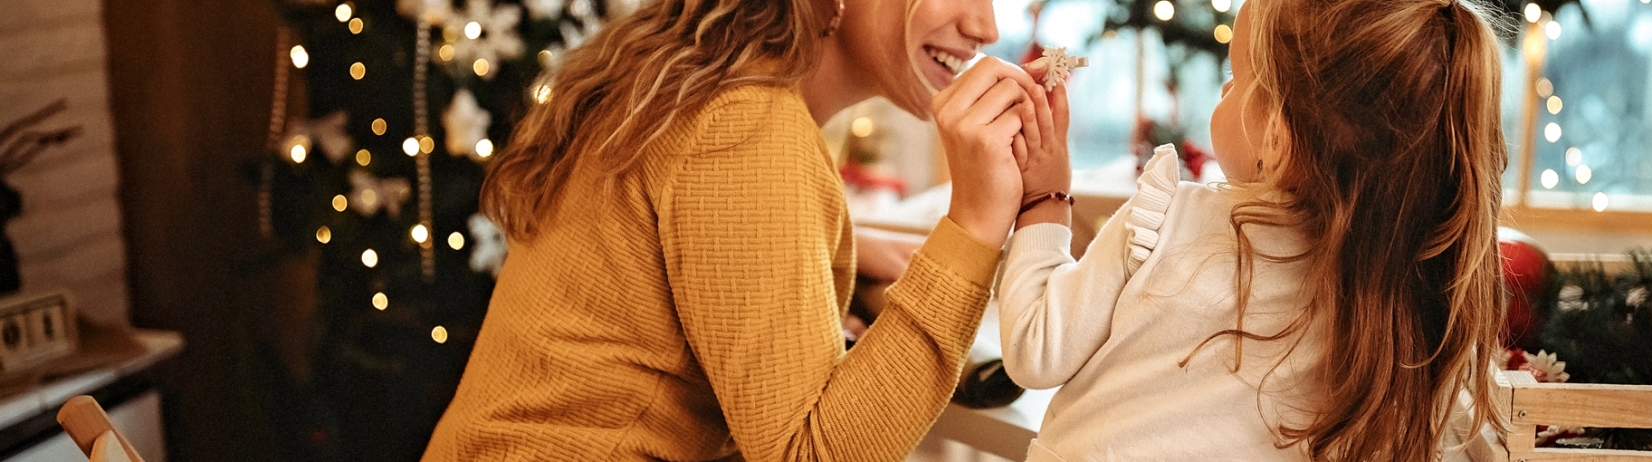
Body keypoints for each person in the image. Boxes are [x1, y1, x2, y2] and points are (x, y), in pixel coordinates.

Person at [421, 0, 1059, 459]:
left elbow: (655, 250)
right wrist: (975, 223)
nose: (986, 25)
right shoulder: (747, 126)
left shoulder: (701, 84)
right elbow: (811, 452)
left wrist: (828, 256)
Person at [995, 0, 1509, 459]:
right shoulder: (1410, 315)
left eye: (1236, 78)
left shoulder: (1167, 218)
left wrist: (1044, 197)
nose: (1223, 88)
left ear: (1279, 135)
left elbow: (1036, 350)